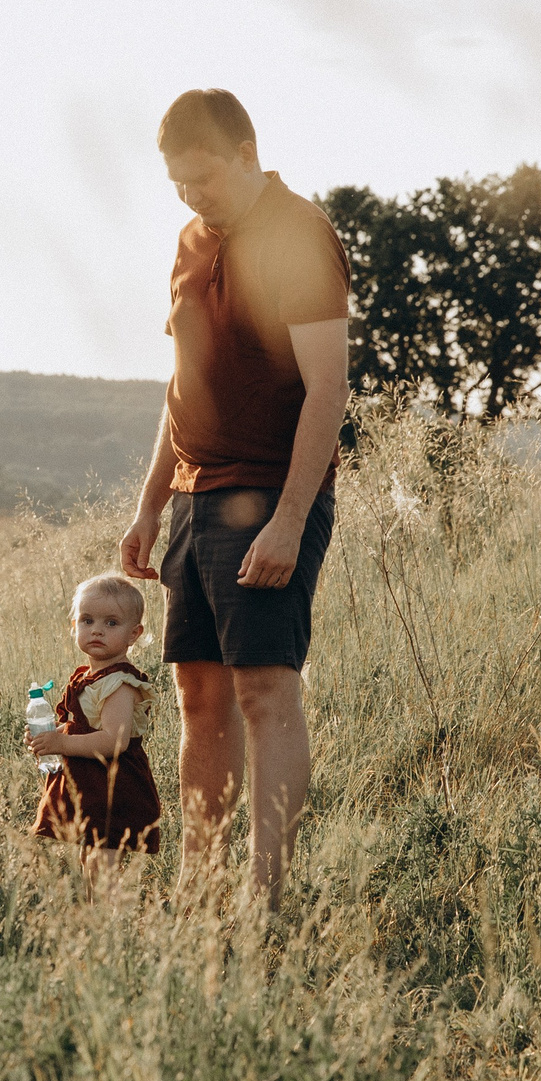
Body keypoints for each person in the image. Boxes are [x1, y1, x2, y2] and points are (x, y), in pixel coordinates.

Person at [119, 89, 350, 909]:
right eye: (179, 183)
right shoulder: (190, 241)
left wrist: (291, 518)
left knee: (263, 691)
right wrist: (150, 502)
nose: (192, 197)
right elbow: (182, 385)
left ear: (247, 151)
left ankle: (265, 895)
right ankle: (201, 885)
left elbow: (329, 387)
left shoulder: (299, 234)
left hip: (269, 492)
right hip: (192, 495)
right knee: (198, 694)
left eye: (204, 179)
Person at [26, 572, 165, 863]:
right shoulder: (91, 676)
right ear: (74, 626)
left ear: (133, 634)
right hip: (91, 784)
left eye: (111, 623)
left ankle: (108, 910)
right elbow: (87, 726)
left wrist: (61, 744)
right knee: (90, 859)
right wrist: (53, 735)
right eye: (87, 621)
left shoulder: (119, 683)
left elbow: (113, 741)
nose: (97, 630)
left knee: (103, 862)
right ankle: (96, 909)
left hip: (113, 785)